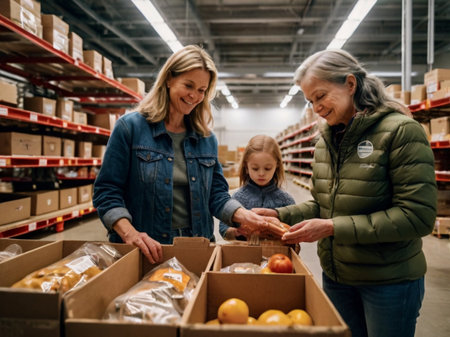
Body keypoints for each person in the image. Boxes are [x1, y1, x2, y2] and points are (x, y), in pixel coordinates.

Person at [254, 49, 437, 337]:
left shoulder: (400, 131)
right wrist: (277, 215)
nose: (317, 107)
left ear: (350, 84)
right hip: (338, 278)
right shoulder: (326, 140)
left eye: (321, 95)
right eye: (311, 100)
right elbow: (322, 205)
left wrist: (331, 227)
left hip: (387, 281)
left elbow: (417, 217)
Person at [93, 45, 284, 264]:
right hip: (146, 248)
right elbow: (106, 191)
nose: (195, 96)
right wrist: (130, 234)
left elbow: (217, 195)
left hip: (197, 246)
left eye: (202, 90)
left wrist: (244, 216)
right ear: (169, 79)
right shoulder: (130, 128)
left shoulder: (205, 138)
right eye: (188, 85)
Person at [219, 134, 295, 241]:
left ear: (277, 165)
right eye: (255, 168)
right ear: (246, 167)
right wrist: (236, 232)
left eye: (268, 168)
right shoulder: (236, 198)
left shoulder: (286, 201)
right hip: (244, 254)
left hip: (276, 256)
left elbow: (294, 234)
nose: (261, 173)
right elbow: (223, 229)